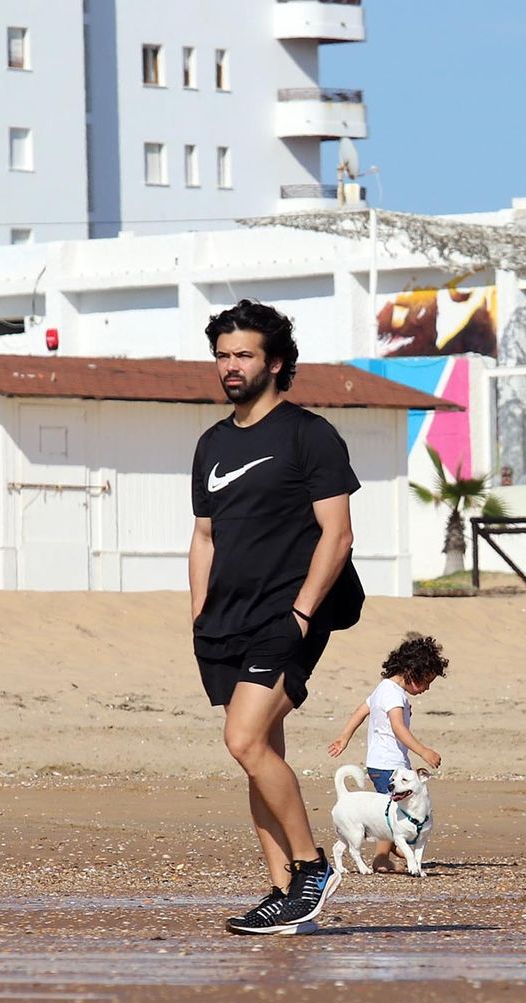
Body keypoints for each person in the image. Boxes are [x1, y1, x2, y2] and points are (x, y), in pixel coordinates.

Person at [190, 299, 360, 935]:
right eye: (222, 355)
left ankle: (312, 867)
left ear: (276, 362)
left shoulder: (308, 434)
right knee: (260, 749)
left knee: (242, 739)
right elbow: (204, 536)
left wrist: (301, 613)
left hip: (288, 614)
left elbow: (337, 535)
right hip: (225, 620)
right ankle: (284, 892)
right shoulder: (211, 443)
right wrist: (198, 614)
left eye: (243, 355)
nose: (230, 366)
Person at [328, 633, 448, 871]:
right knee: (392, 811)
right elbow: (398, 727)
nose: (426, 689)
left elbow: (362, 711)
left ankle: (388, 852)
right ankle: (387, 854)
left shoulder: (383, 688)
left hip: (382, 762)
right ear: (413, 673)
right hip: (387, 764)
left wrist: (345, 736)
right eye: (426, 682)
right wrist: (423, 751)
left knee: (390, 808)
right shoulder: (393, 694)